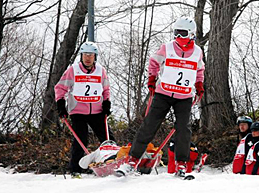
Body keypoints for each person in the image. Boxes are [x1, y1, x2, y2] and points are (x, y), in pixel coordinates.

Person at [116, 17, 205, 178]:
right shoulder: (167, 48)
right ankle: (132, 160)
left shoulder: (198, 52)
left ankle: (181, 164)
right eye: (176, 33)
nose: (178, 37)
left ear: (191, 34)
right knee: (149, 126)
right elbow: (153, 62)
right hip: (163, 93)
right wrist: (152, 78)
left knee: (183, 130)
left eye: (182, 33)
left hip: (184, 96)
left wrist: (199, 86)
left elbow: (200, 70)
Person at [55, 41, 115, 178]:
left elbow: (106, 89)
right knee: (81, 140)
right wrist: (60, 105)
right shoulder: (73, 70)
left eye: (91, 55)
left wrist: (106, 103)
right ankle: (75, 169)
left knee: (108, 139)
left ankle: (112, 163)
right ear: (81, 56)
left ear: (95, 57)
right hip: (78, 111)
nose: (88, 58)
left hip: (97, 111)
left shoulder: (101, 71)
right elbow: (60, 88)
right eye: (85, 55)